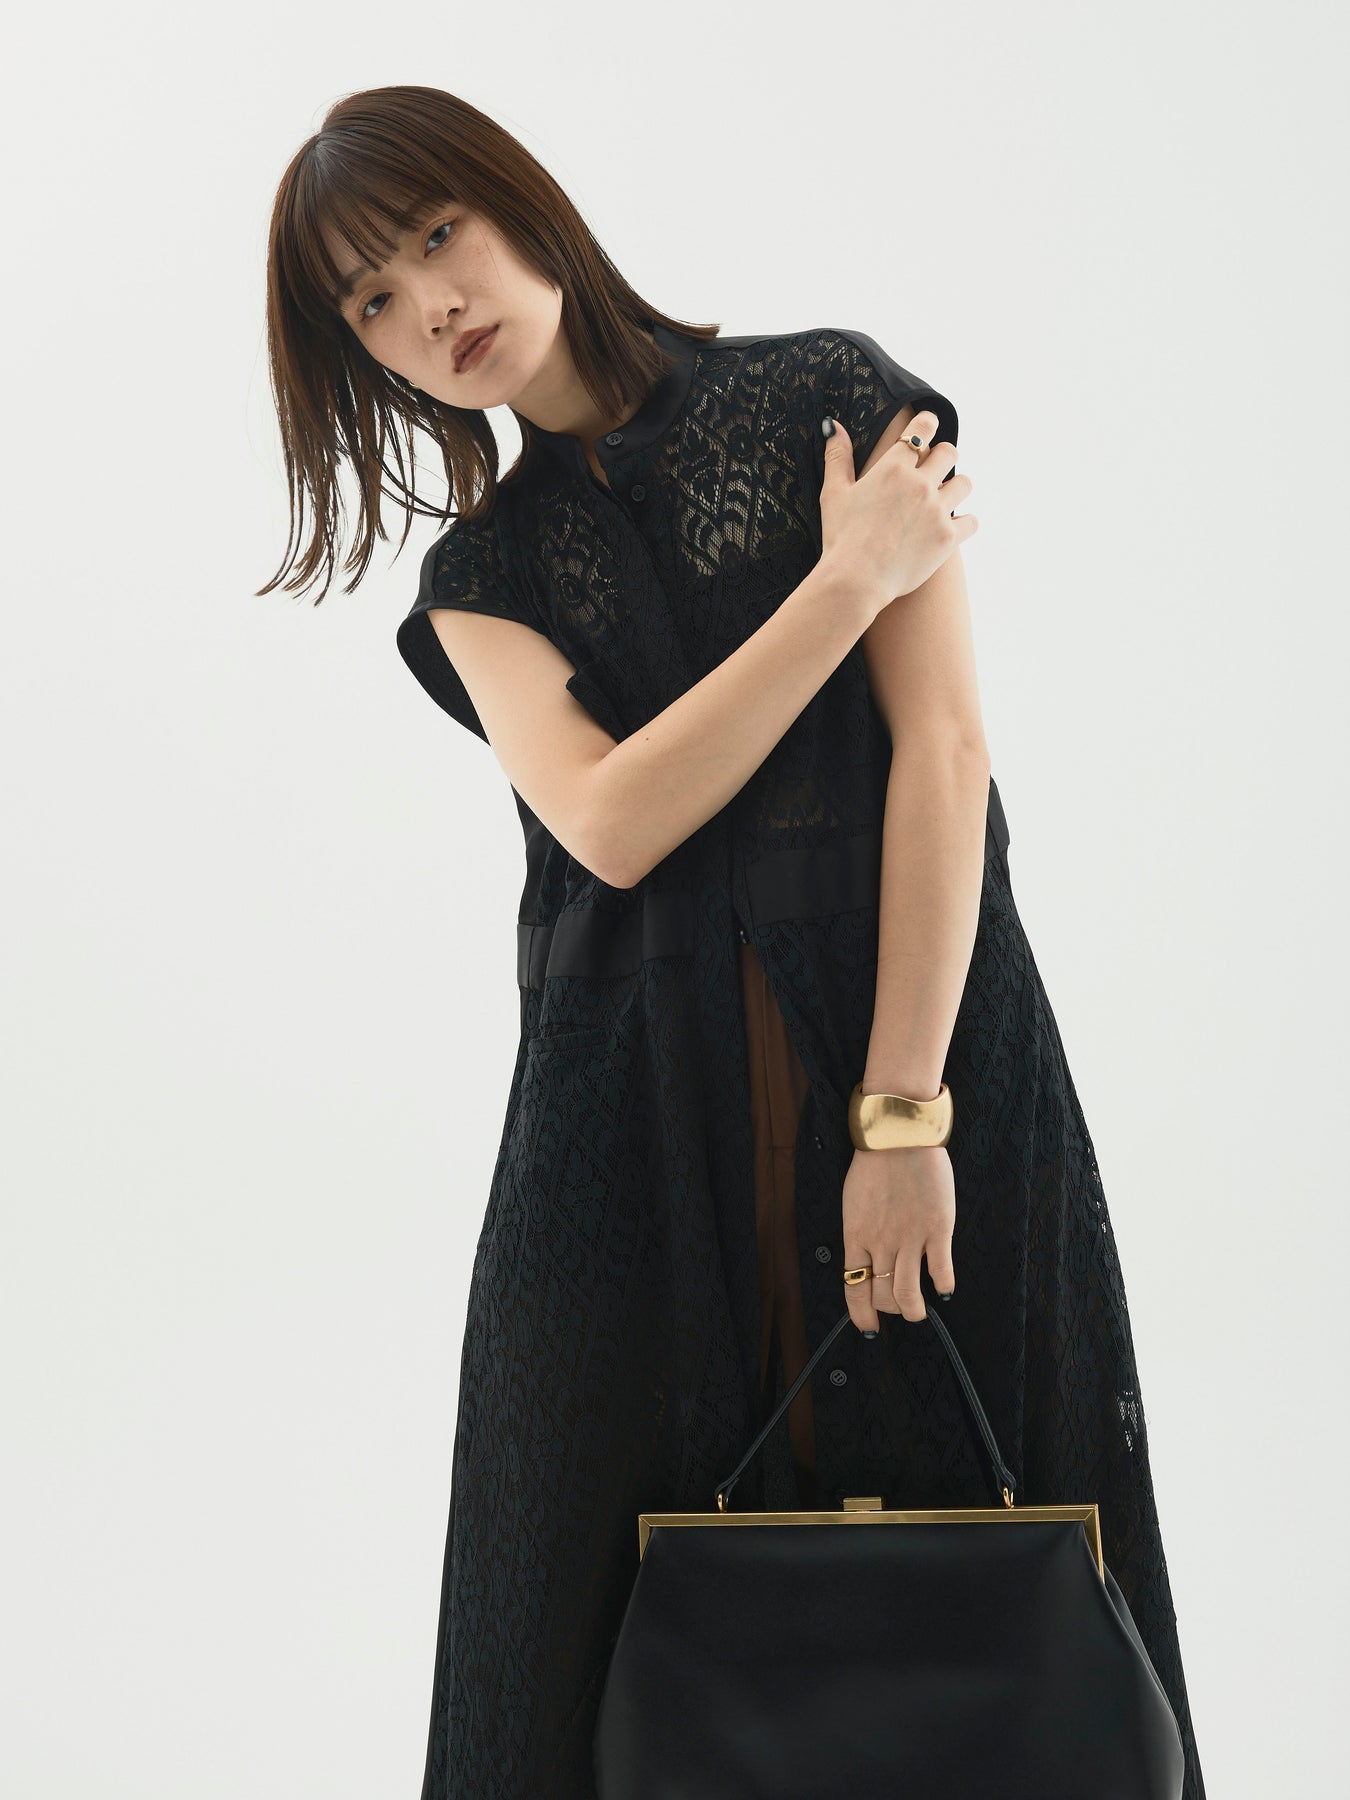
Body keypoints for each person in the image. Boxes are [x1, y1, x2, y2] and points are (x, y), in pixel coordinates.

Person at [258, 83, 1207, 1800]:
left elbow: (945, 759)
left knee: (985, 1591)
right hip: (623, 1124)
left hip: (918, 1047)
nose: (429, 307)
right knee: (563, 1629)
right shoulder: (481, 578)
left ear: (519, 202)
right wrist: (843, 584)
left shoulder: (827, 399)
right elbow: (612, 823)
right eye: (371, 302)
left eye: (435, 236)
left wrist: (902, 1119)